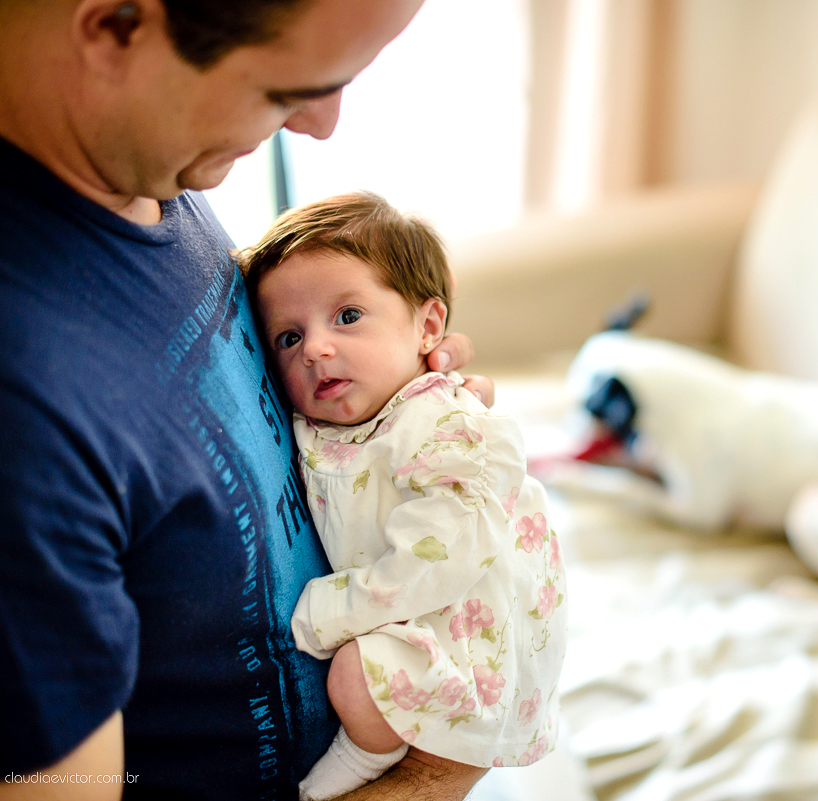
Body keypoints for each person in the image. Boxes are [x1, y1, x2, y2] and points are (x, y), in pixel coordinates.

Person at [0, 0, 493, 798]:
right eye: (281, 89)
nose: (323, 124)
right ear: (115, 26)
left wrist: (401, 407)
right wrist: (442, 764)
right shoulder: (25, 400)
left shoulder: (149, 168)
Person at [241, 192, 567, 800]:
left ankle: (362, 759)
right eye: (288, 337)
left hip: (468, 644)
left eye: (346, 317)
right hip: (417, 617)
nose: (314, 348)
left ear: (429, 327)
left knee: (358, 676)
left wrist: (327, 612)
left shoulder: (441, 424)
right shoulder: (336, 421)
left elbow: (439, 559)